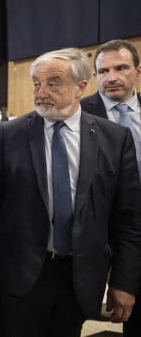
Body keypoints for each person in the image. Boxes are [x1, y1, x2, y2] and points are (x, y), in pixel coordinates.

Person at [0, 47, 141, 336]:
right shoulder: (10, 135)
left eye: (53, 84)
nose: (41, 92)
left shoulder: (114, 138)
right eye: (37, 84)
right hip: (20, 276)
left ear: (80, 87)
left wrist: (124, 281)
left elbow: (127, 219)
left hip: (80, 278)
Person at [80, 39, 141, 336]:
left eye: (121, 68)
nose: (111, 76)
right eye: (103, 71)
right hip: (103, 236)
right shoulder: (77, 114)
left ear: (137, 71)